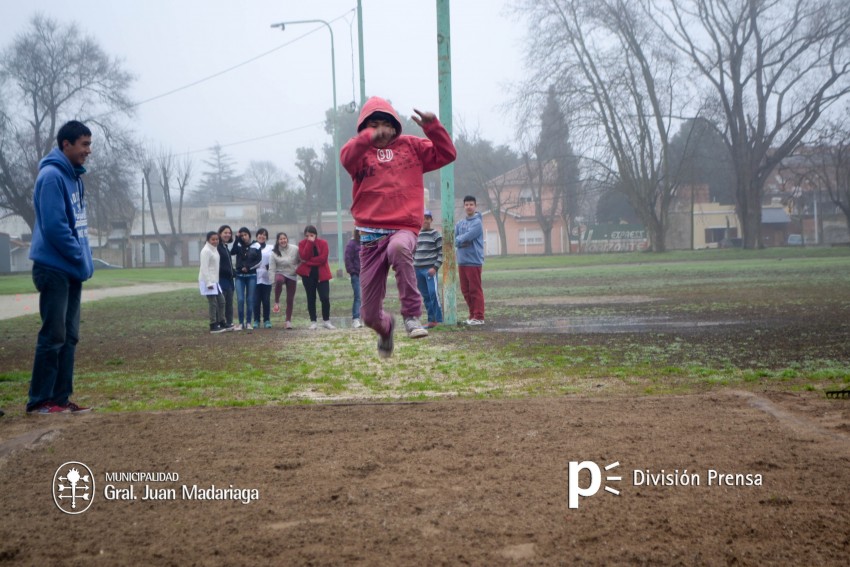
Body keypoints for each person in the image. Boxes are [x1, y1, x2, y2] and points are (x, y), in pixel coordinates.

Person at [340, 96, 456, 357]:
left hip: (403, 227)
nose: (380, 130)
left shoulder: (411, 147)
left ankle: (412, 316)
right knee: (368, 315)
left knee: (399, 248)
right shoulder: (358, 152)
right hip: (370, 237)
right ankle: (386, 328)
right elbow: (345, 157)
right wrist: (368, 138)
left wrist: (433, 127)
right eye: (373, 125)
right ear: (363, 128)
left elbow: (447, 153)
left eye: (385, 125)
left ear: (395, 127)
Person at [26, 120, 95, 414]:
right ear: (66, 144)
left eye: (89, 144)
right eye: (84, 144)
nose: (88, 151)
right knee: (53, 336)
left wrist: (84, 258)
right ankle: (40, 401)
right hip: (53, 268)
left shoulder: (74, 177)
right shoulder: (52, 176)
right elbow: (55, 227)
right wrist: (79, 256)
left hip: (71, 269)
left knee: (69, 336)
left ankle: (60, 399)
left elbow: (78, 225)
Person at [296, 225, 335, 330]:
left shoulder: (323, 243)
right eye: (307, 236)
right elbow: (304, 256)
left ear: (316, 234)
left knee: (325, 298)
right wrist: (310, 243)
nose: (309, 237)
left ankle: (326, 321)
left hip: (322, 274)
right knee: (311, 298)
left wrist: (308, 262)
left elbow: (323, 259)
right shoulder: (302, 244)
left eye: (311, 235)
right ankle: (313, 321)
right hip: (308, 276)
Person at [455, 195, 485, 325]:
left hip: (474, 261)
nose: (469, 207)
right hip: (462, 261)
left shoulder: (477, 223)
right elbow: (455, 239)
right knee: (465, 290)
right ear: (464, 206)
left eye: (471, 204)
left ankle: (479, 317)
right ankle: (472, 315)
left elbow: (466, 237)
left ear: (475, 206)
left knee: (475, 290)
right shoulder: (460, 223)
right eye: (466, 204)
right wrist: (460, 240)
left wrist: (460, 240)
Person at [414, 210, 443, 328]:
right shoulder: (416, 234)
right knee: (425, 296)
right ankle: (431, 320)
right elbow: (413, 251)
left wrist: (435, 267)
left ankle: (439, 320)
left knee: (433, 293)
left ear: (431, 220)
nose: (425, 220)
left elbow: (441, 253)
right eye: (423, 218)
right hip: (417, 270)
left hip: (430, 270)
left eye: (427, 218)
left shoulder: (436, 234)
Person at [231, 227, 261, 331]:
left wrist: (248, 267)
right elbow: (232, 252)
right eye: (242, 235)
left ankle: (248, 322)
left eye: (245, 235)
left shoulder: (256, 245)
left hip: (251, 276)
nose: (244, 237)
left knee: (250, 299)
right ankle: (240, 323)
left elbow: (259, 261)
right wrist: (236, 239)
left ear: (249, 235)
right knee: (240, 299)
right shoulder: (238, 245)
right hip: (239, 276)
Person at [199, 231, 229, 333]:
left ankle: (222, 322)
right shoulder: (206, 251)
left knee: (222, 301)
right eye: (213, 239)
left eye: (217, 239)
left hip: (215, 281)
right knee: (213, 303)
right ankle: (213, 325)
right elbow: (204, 268)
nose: (215, 241)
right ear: (208, 240)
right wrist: (208, 283)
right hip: (208, 281)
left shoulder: (214, 249)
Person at [270, 232, 300, 330]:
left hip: (292, 274)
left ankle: (288, 321)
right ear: (277, 241)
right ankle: (277, 302)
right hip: (280, 272)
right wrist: (272, 282)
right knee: (279, 280)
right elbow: (271, 268)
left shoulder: (295, 249)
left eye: (284, 238)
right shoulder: (274, 252)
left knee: (290, 299)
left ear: (287, 239)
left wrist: (298, 269)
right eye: (280, 239)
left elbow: (301, 260)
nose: (283, 241)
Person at [217, 225, 236, 329]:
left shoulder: (226, 247)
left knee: (229, 302)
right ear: (220, 234)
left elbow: (229, 264)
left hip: (230, 280)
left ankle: (229, 322)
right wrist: (228, 272)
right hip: (222, 279)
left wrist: (234, 272)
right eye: (225, 232)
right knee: (221, 302)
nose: (227, 235)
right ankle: (220, 322)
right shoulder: (218, 247)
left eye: (229, 233)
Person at [253, 228, 273, 329]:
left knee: (266, 300)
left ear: (267, 237)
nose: (262, 236)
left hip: (267, 277)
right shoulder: (252, 247)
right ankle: (256, 320)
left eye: (264, 235)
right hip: (255, 277)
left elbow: (274, 259)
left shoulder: (270, 248)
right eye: (260, 234)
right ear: (257, 236)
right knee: (256, 300)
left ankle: (266, 320)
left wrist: (270, 266)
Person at [344, 230, 362, 329]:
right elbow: (347, 258)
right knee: (358, 296)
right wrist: (352, 272)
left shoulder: (367, 243)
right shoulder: (352, 244)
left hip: (366, 275)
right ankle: (356, 319)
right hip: (356, 275)